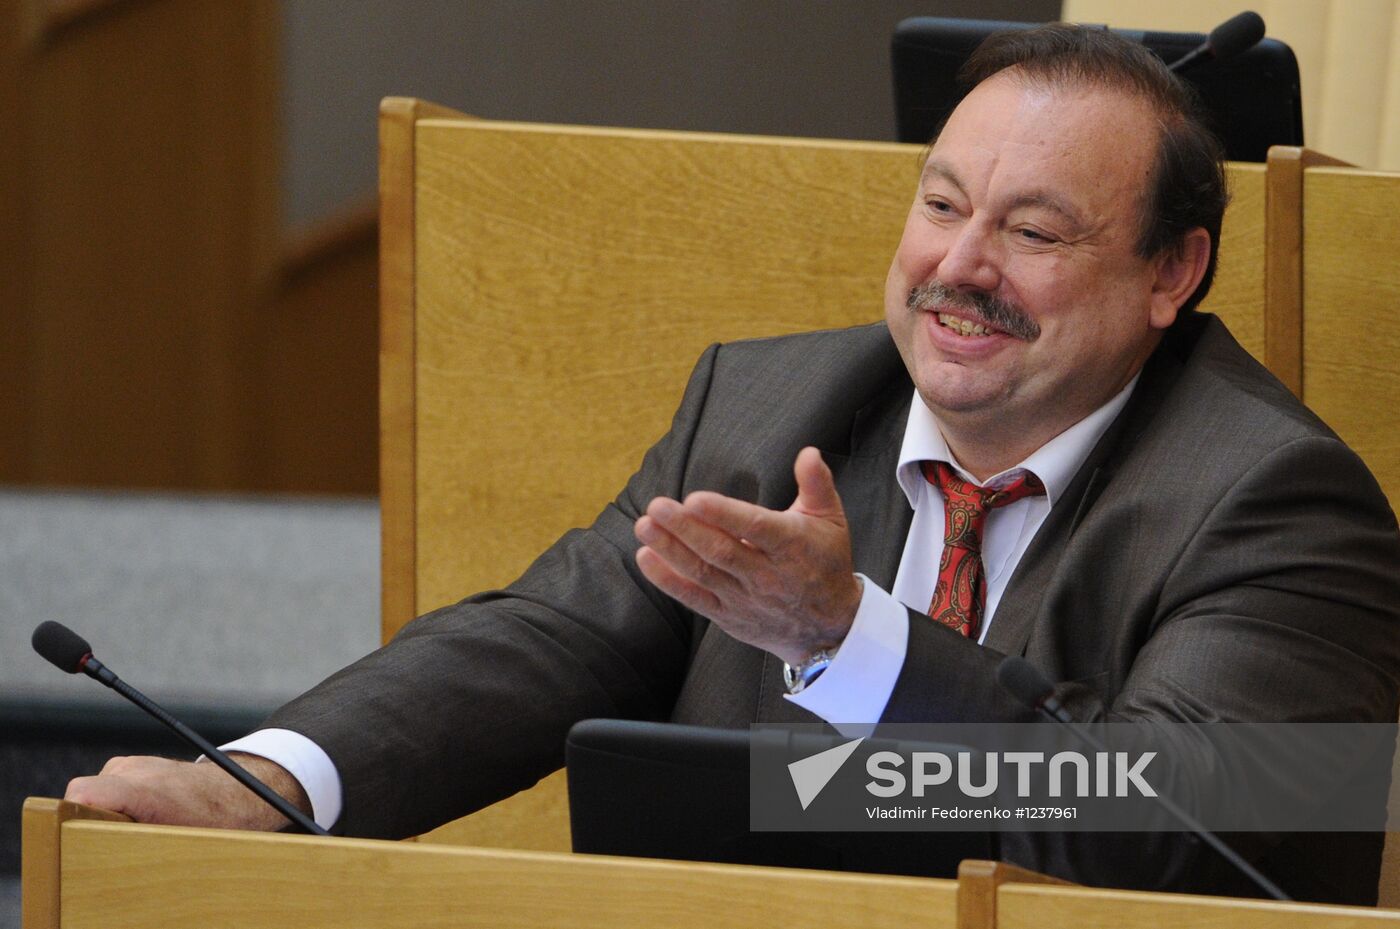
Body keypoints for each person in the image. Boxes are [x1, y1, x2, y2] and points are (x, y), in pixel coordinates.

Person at [67, 24, 1400, 903]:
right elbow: (553, 637)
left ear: (1174, 272)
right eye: (939, 205)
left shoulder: (1284, 501)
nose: (960, 268)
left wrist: (853, 638)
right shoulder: (773, 404)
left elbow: (1174, 820)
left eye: (1035, 231)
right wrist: (261, 783)